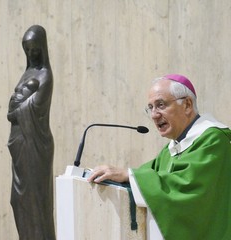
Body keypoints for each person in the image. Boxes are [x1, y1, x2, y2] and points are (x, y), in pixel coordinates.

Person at [88, 74, 231, 240]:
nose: (154, 115)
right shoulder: (172, 148)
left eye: (161, 105)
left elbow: (186, 187)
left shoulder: (214, 140)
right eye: (150, 108)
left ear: (187, 105)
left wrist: (129, 175)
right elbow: (148, 176)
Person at [7, 25, 55, 240]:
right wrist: (15, 108)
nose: (31, 54)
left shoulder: (45, 75)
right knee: (18, 200)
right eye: (27, 50)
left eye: (35, 49)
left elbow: (35, 108)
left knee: (36, 200)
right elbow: (17, 107)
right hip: (19, 143)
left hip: (36, 144)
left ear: (42, 48)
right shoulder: (28, 72)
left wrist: (15, 109)